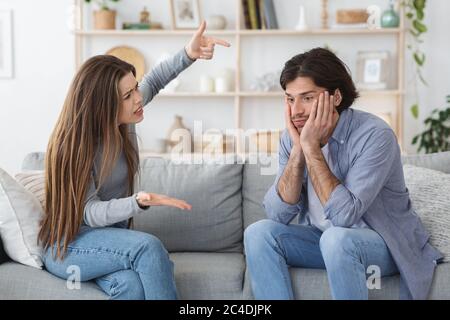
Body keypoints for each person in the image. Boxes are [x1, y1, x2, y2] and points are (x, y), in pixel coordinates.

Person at [38, 22, 230, 300]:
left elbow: (155, 80)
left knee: (131, 285)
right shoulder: (74, 147)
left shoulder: (123, 120)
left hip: (104, 242)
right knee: (148, 248)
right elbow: (89, 213)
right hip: (68, 246)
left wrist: (188, 53)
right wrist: (137, 202)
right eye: (128, 95)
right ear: (103, 105)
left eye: (135, 88)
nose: (139, 98)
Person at [244, 47, 443, 300]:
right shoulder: (293, 138)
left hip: (386, 245)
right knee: (258, 233)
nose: (296, 111)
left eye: (307, 98)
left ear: (336, 97)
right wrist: (298, 151)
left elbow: (344, 216)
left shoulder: (375, 135)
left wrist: (311, 149)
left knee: (336, 238)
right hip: (324, 241)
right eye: (290, 99)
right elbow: (277, 213)